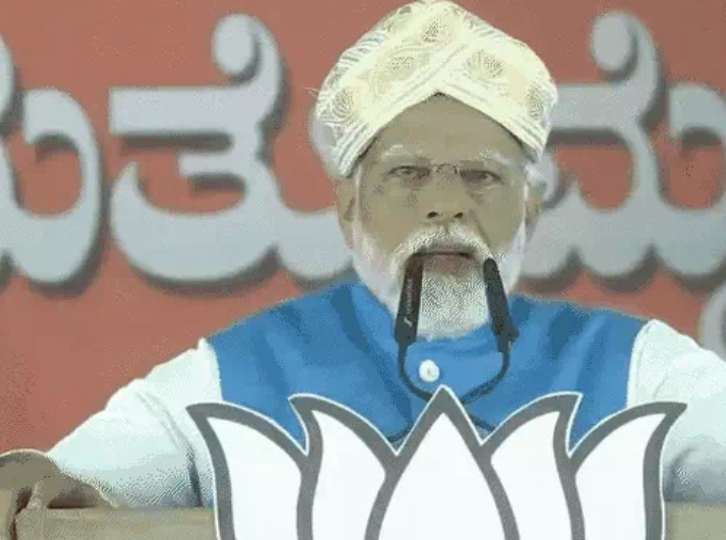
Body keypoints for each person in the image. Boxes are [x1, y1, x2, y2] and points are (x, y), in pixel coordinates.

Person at [3, 0, 726, 537]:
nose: (446, 205)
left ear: (530, 211)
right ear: (348, 208)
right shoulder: (236, 372)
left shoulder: (639, 369)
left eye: (480, 177)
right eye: (408, 175)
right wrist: (29, 475)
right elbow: (73, 478)